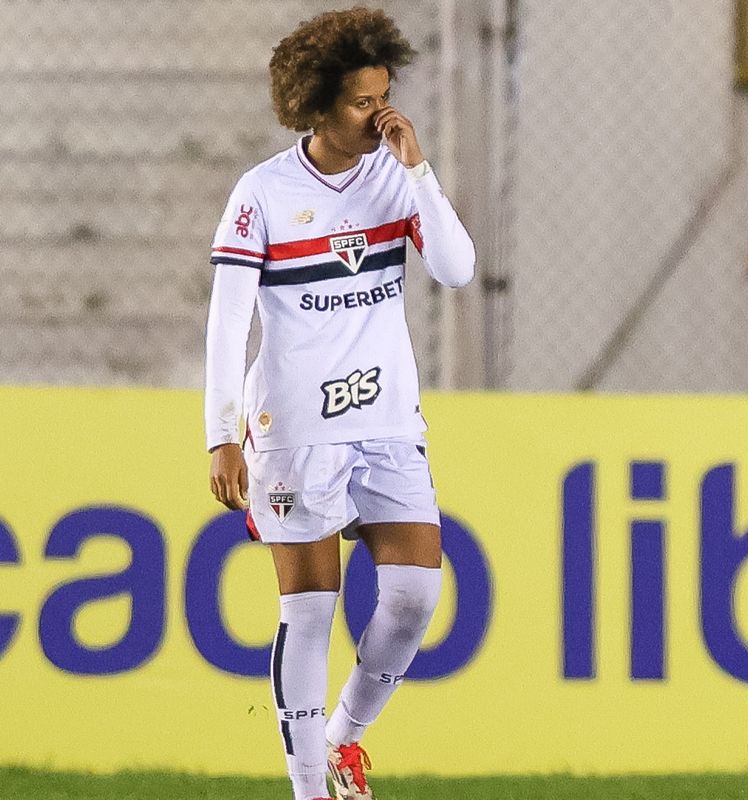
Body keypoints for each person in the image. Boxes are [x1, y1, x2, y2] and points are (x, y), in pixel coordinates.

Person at [203, 8, 476, 800]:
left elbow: (457, 270)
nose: (381, 115)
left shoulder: (394, 176)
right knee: (311, 610)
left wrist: (419, 169)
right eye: (363, 102)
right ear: (316, 105)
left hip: (387, 419)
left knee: (415, 595)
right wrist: (221, 435)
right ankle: (308, 790)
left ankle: (343, 737)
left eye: (385, 97)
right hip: (295, 429)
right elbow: (228, 322)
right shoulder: (262, 194)